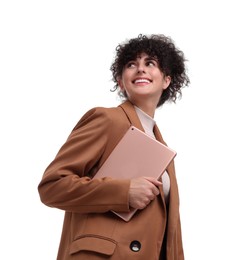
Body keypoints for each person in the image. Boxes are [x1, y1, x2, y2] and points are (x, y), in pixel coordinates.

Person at [38, 34, 190, 260]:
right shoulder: (108, 120)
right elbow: (52, 186)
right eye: (131, 64)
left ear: (167, 80)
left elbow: (171, 232)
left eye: (150, 63)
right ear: (121, 81)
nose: (140, 69)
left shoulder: (163, 148)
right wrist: (123, 192)